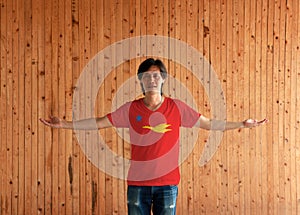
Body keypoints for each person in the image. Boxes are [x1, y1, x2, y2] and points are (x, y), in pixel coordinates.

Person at [40, 58, 267, 215]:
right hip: (137, 186)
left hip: (167, 186)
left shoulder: (176, 108)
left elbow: (207, 123)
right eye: (147, 76)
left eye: (156, 75)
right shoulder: (130, 109)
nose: (151, 79)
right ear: (141, 80)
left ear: (163, 79)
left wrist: (241, 124)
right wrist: (65, 125)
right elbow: (99, 122)